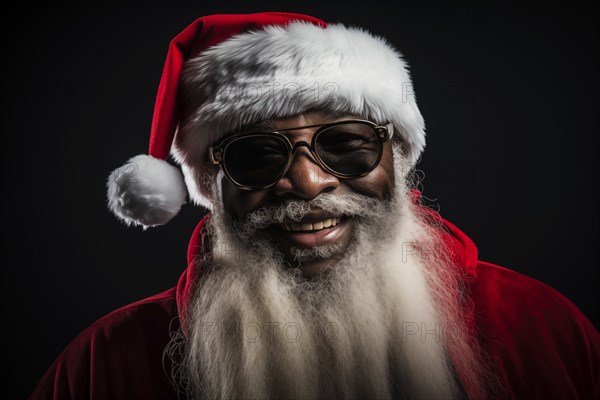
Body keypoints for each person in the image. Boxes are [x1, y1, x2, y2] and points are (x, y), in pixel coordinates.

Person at [31, 12, 599, 400]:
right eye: (256, 156)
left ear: (396, 158)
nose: (306, 182)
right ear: (211, 183)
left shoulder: (540, 326)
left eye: (346, 144)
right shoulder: (107, 361)